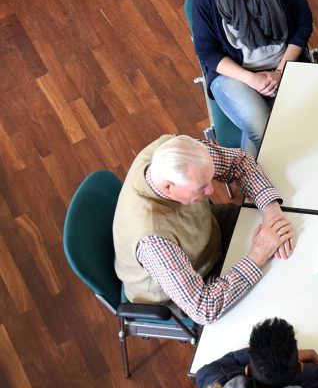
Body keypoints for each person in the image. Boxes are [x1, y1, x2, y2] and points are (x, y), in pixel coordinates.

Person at [113, 134, 295, 325]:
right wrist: (258, 254)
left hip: (208, 234)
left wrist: (271, 210)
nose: (210, 191)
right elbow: (204, 308)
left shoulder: (177, 152)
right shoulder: (153, 241)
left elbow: (240, 162)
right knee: (272, 301)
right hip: (193, 282)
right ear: (168, 188)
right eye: (200, 188)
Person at [192, 0, 313, 156]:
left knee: (306, 124)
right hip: (235, 75)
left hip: (285, 64)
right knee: (261, 127)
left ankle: (255, 191)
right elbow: (207, 52)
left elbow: (303, 24)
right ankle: (264, 192)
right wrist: (252, 80)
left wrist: (280, 72)